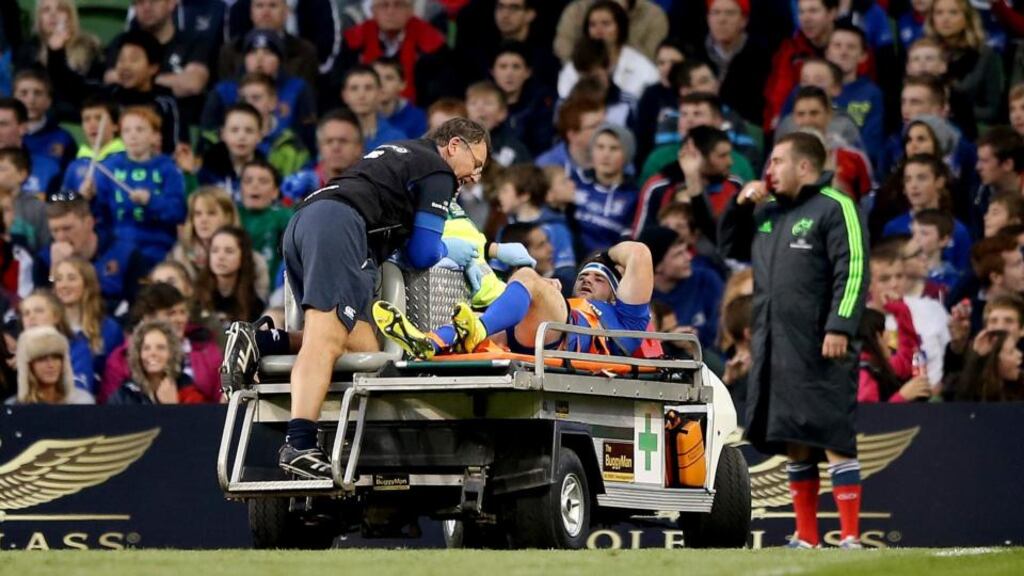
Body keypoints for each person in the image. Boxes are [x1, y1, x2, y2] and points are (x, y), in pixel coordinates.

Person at [223, 119, 490, 479]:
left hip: (310, 222)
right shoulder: (438, 170)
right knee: (327, 336)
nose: (474, 177)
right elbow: (424, 253)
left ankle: (265, 340)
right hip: (341, 226)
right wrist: (451, 249)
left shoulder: (402, 151)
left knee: (362, 345)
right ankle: (299, 443)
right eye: (476, 164)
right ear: (455, 145)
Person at [719, 132, 868, 549]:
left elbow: (853, 267)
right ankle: (807, 536)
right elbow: (728, 245)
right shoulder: (768, 215)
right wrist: (738, 205)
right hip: (776, 346)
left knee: (834, 437)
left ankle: (852, 536)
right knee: (797, 443)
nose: (769, 170)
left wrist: (840, 325)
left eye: (778, 161)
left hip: (823, 344)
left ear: (804, 166)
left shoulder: (837, 207)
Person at [373, 240, 653, 365]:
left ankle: (475, 330)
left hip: (571, 338)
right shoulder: (566, 299)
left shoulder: (626, 320)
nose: (588, 280)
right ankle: (426, 343)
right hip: (540, 332)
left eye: (599, 278)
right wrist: (548, 293)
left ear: (616, 293)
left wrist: (603, 257)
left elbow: (638, 253)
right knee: (479, 316)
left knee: (528, 278)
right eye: (583, 276)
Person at [92, 106, 186, 270]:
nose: (133, 135)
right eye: (127, 130)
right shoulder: (108, 167)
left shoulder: (168, 168)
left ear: (155, 136)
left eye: (140, 129)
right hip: (117, 247)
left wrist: (151, 200)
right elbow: (98, 215)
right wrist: (88, 197)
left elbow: (179, 212)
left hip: (158, 249)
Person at [100, 282, 222, 404]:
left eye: (183, 312)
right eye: (171, 313)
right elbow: (110, 412)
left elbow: (213, 411)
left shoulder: (207, 351)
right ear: (148, 318)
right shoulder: (120, 360)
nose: (180, 319)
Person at [39, 195, 146, 309]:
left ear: (89, 223)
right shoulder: (44, 260)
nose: (61, 237)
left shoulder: (125, 254)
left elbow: (139, 305)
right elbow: (45, 310)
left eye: (67, 228)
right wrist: (55, 270)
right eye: (54, 231)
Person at [15, 0, 103, 122]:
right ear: (39, 18)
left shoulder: (89, 46)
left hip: (77, 118)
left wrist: (56, 54)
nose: (53, 14)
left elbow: (84, 94)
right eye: (46, 10)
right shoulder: (28, 50)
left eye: (60, 9)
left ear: (70, 15)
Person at [556, 0, 659, 101]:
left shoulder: (641, 66)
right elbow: (564, 97)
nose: (599, 30)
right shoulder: (576, 64)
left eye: (606, 24)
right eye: (592, 25)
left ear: (620, 27)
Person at [52, 257, 124, 385]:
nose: (63, 285)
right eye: (58, 279)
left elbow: (115, 376)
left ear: (87, 284)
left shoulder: (110, 329)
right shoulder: (47, 327)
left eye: (71, 278)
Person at [106, 319, 205, 404]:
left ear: (172, 353)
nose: (152, 353)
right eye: (146, 348)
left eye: (161, 348)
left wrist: (172, 407)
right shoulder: (123, 395)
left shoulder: (188, 391)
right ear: (138, 354)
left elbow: (197, 425)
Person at [280, 109, 364, 204]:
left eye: (343, 141)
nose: (335, 147)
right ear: (319, 146)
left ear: (359, 147)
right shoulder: (299, 186)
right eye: (329, 141)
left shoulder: (371, 185)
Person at [19, 289, 93, 395]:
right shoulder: (17, 353)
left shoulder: (77, 347)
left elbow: (79, 391)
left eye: (39, 311)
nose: (31, 317)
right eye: (26, 313)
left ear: (56, 316)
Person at [197, 226, 265, 325]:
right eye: (215, 250)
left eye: (229, 251)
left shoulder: (254, 304)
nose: (220, 257)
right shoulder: (197, 298)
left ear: (243, 256)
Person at [10, 325, 92, 405]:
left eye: (56, 357)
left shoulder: (82, 401)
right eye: (42, 358)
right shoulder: (13, 408)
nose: (51, 365)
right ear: (29, 365)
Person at [13, 68, 77, 169]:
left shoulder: (63, 138)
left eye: (38, 93)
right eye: (24, 93)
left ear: (48, 101)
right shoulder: (4, 133)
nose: (31, 100)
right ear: (14, 99)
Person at [339, 65, 406, 153]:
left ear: (380, 93)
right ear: (344, 95)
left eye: (368, 88)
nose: (361, 95)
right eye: (354, 88)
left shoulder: (397, 139)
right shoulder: (334, 137)